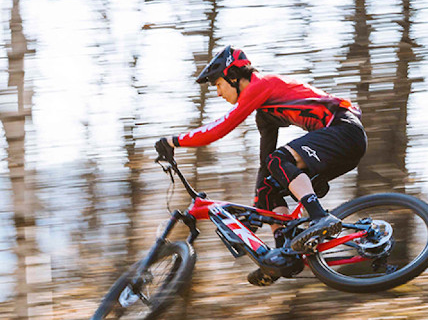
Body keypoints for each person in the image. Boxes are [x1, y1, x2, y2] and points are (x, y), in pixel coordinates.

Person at [155, 45, 367, 286]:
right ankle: (283, 255)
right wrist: (257, 208)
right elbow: (264, 166)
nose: (218, 93)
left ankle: (320, 217)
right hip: (338, 143)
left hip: (343, 129)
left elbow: (219, 129)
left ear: (233, 77)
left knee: (280, 159)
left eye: (218, 85)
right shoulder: (265, 113)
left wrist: (175, 141)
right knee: (269, 185)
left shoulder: (261, 85)